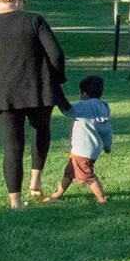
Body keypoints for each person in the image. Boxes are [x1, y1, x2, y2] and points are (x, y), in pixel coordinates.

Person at [0, 0, 68, 209]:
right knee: (40, 134)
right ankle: (35, 183)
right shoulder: (34, 20)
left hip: (4, 94)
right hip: (39, 89)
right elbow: (56, 54)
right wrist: (57, 78)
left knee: (12, 146)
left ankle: (15, 201)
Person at [44, 76, 112, 204]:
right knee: (69, 172)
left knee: (87, 175)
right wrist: (108, 146)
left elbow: (68, 111)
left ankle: (102, 199)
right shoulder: (104, 107)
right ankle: (56, 195)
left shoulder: (84, 105)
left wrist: (57, 91)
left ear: (84, 94)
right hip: (92, 149)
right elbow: (107, 131)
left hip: (82, 150)